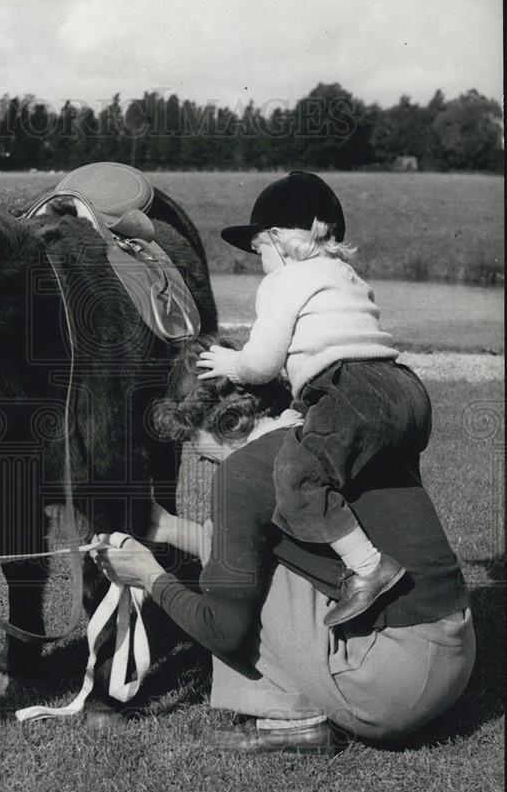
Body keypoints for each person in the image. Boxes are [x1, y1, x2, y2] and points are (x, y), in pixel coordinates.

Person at [92, 337, 474, 754]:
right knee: (245, 554)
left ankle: (297, 714)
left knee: (238, 579)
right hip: (452, 660)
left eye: (192, 438)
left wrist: (148, 574)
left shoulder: (242, 471)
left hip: (388, 694)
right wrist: (163, 527)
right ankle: (310, 716)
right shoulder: (323, 433)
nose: (196, 455)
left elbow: (224, 632)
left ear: (224, 421)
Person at [196, 171, 431, 626]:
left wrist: (233, 364)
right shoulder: (346, 275)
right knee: (373, 468)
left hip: (352, 391)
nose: (258, 262)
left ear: (279, 240)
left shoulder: (283, 280)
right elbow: (330, 349)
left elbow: (264, 363)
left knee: (296, 476)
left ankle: (367, 568)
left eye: (259, 250)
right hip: (405, 390)